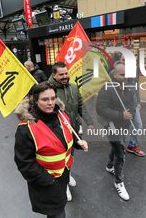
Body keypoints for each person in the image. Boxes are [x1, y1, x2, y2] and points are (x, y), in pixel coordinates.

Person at [14, 82, 88, 218]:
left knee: (61, 206)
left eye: (53, 98)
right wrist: (49, 181)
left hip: (63, 176)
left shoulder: (61, 114)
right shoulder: (26, 128)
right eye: (45, 99)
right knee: (57, 214)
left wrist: (78, 142)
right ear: (35, 100)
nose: (50, 103)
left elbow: (67, 136)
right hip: (46, 183)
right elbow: (25, 163)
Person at [48, 61, 93, 201]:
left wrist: (89, 121)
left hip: (73, 129)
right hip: (58, 133)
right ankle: (63, 185)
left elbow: (80, 105)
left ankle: (68, 174)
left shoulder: (73, 87)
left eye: (66, 73)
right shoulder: (48, 90)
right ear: (53, 75)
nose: (65, 76)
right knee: (60, 159)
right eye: (61, 74)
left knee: (70, 156)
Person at [96, 63, 135, 201]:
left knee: (116, 146)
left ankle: (109, 166)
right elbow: (100, 109)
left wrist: (132, 113)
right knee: (120, 151)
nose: (125, 77)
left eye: (126, 74)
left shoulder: (128, 86)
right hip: (111, 124)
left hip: (124, 124)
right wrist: (120, 115)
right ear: (114, 75)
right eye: (122, 75)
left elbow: (132, 103)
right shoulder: (106, 89)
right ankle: (119, 182)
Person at [114, 54, 145, 156]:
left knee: (138, 124)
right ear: (120, 59)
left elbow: (136, 87)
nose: (125, 63)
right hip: (120, 104)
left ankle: (132, 145)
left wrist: (138, 102)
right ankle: (119, 145)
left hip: (133, 103)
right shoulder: (115, 71)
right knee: (121, 126)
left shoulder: (133, 70)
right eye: (123, 60)